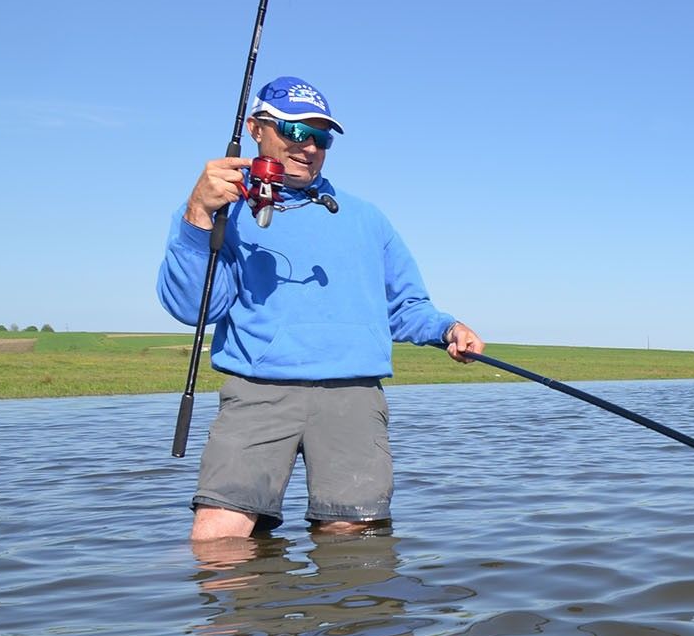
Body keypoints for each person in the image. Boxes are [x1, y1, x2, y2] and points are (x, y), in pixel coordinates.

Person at [158, 76, 484, 541]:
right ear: (256, 128)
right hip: (257, 392)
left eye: (321, 137)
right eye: (295, 132)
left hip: (352, 394)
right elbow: (193, 308)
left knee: (351, 539)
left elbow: (405, 306)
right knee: (217, 536)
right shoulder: (218, 210)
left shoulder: (367, 219)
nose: (308, 147)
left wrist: (447, 328)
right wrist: (197, 216)